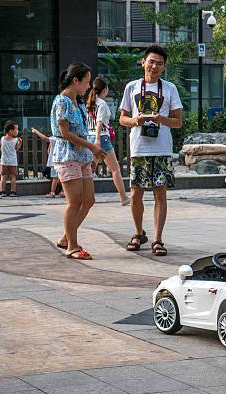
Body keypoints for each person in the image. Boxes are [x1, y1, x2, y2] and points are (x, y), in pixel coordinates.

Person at [119, 45, 183, 256]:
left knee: (160, 193)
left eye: (159, 63)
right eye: (151, 62)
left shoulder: (170, 89)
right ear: (143, 62)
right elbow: (122, 119)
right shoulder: (132, 87)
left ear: (164, 67)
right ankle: (138, 233)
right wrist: (135, 120)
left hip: (162, 147)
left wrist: (161, 119)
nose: (154, 66)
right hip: (139, 148)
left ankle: (158, 238)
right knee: (136, 193)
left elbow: (178, 122)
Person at [50, 62, 106, 260]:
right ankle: (72, 246)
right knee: (74, 202)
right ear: (75, 80)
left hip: (81, 156)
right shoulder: (62, 101)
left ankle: (67, 237)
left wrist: (90, 152)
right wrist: (92, 147)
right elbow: (64, 133)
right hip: (67, 156)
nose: (89, 87)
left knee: (88, 200)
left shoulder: (78, 103)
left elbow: (81, 131)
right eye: (87, 82)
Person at [86, 76, 129, 206]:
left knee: (90, 170)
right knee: (115, 169)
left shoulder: (89, 102)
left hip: (89, 137)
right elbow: (99, 122)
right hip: (101, 138)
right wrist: (98, 139)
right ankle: (124, 197)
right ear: (105, 89)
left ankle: (86, 197)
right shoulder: (102, 104)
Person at [31, 127, 64, 198]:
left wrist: (36, 131)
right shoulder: (64, 138)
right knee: (63, 177)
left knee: (55, 178)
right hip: (63, 161)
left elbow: (45, 138)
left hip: (55, 161)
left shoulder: (55, 138)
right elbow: (49, 149)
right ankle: (63, 191)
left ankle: (52, 192)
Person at [0, 121, 22, 197]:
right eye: (16, 129)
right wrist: (20, 143)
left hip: (4, 161)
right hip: (13, 162)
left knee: (3, 177)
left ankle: (2, 191)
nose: (17, 131)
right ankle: (13, 192)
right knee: (13, 177)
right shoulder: (15, 140)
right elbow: (16, 149)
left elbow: (0, 148)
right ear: (11, 131)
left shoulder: (2, 138)